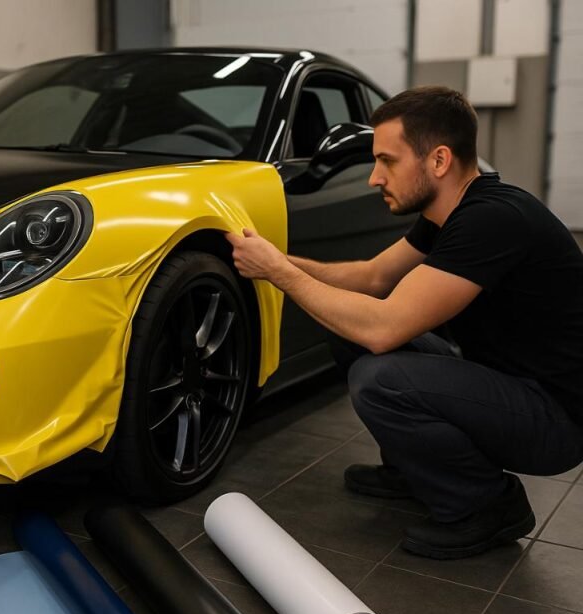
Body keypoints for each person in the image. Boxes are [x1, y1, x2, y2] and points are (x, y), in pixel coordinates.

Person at [226, 86, 583, 559]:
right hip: (510, 385)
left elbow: (384, 327)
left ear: (438, 161)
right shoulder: (449, 214)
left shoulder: (492, 219)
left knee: (381, 378)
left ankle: (487, 506)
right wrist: (277, 259)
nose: (375, 177)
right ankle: (412, 469)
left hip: (555, 420)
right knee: (345, 327)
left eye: (387, 161)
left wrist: (278, 273)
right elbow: (372, 278)